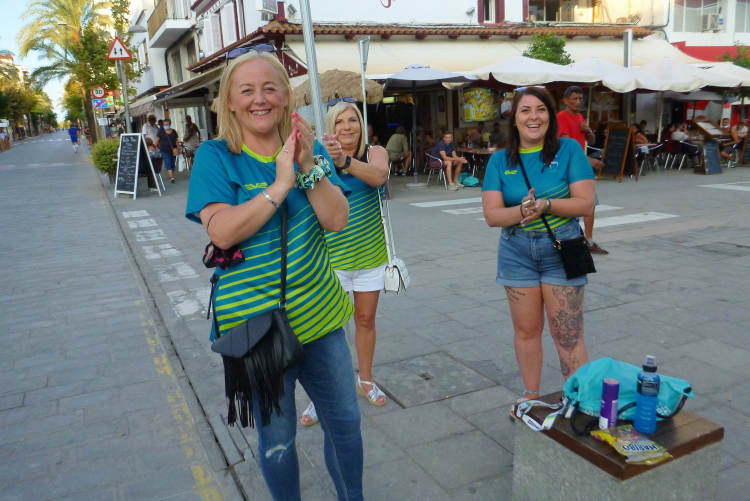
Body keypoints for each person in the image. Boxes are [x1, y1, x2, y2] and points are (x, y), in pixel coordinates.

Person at [184, 47, 362, 501]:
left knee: (346, 425)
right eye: (246, 90)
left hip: (320, 318)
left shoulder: (309, 150)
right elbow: (222, 231)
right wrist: (281, 184)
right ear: (229, 101)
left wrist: (306, 166)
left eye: (269, 88)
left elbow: (337, 219)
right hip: (255, 329)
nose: (259, 99)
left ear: (286, 96)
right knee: (278, 440)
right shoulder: (216, 156)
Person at [481, 86, 595, 420]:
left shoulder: (569, 150)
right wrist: (523, 210)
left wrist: (545, 205)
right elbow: (492, 215)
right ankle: (531, 397)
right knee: (526, 330)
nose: (534, 117)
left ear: (550, 115)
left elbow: (585, 203)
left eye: (541, 109)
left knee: (568, 334)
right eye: (525, 110)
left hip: (562, 247)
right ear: (514, 119)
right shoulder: (500, 160)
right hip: (516, 250)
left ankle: (578, 402)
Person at [299, 98, 390, 427]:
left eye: (353, 120)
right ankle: (320, 394)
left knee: (365, 321)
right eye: (339, 121)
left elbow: (379, 177)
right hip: (328, 261)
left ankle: (365, 380)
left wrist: (345, 161)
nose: (347, 126)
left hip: (370, 256)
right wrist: (326, 158)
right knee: (326, 330)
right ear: (330, 127)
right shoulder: (317, 157)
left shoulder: (374, 152)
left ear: (362, 125)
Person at [557, 86, 608, 255]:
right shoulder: (561, 117)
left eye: (580, 99)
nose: (578, 102)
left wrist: (589, 131)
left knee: (590, 203)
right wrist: (589, 160)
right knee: (573, 205)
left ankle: (589, 240)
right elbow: (568, 146)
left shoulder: (579, 117)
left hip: (580, 166)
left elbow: (590, 141)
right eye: (574, 99)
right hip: (568, 167)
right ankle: (570, 240)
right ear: (565, 100)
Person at [155, 118, 179, 183]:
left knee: (172, 163)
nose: (165, 126)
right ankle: (171, 177)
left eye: (167, 125)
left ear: (170, 124)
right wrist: (155, 147)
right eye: (164, 124)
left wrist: (179, 148)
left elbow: (176, 140)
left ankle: (171, 174)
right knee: (168, 163)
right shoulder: (161, 131)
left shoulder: (173, 131)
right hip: (164, 150)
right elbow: (157, 140)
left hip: (173, 150)